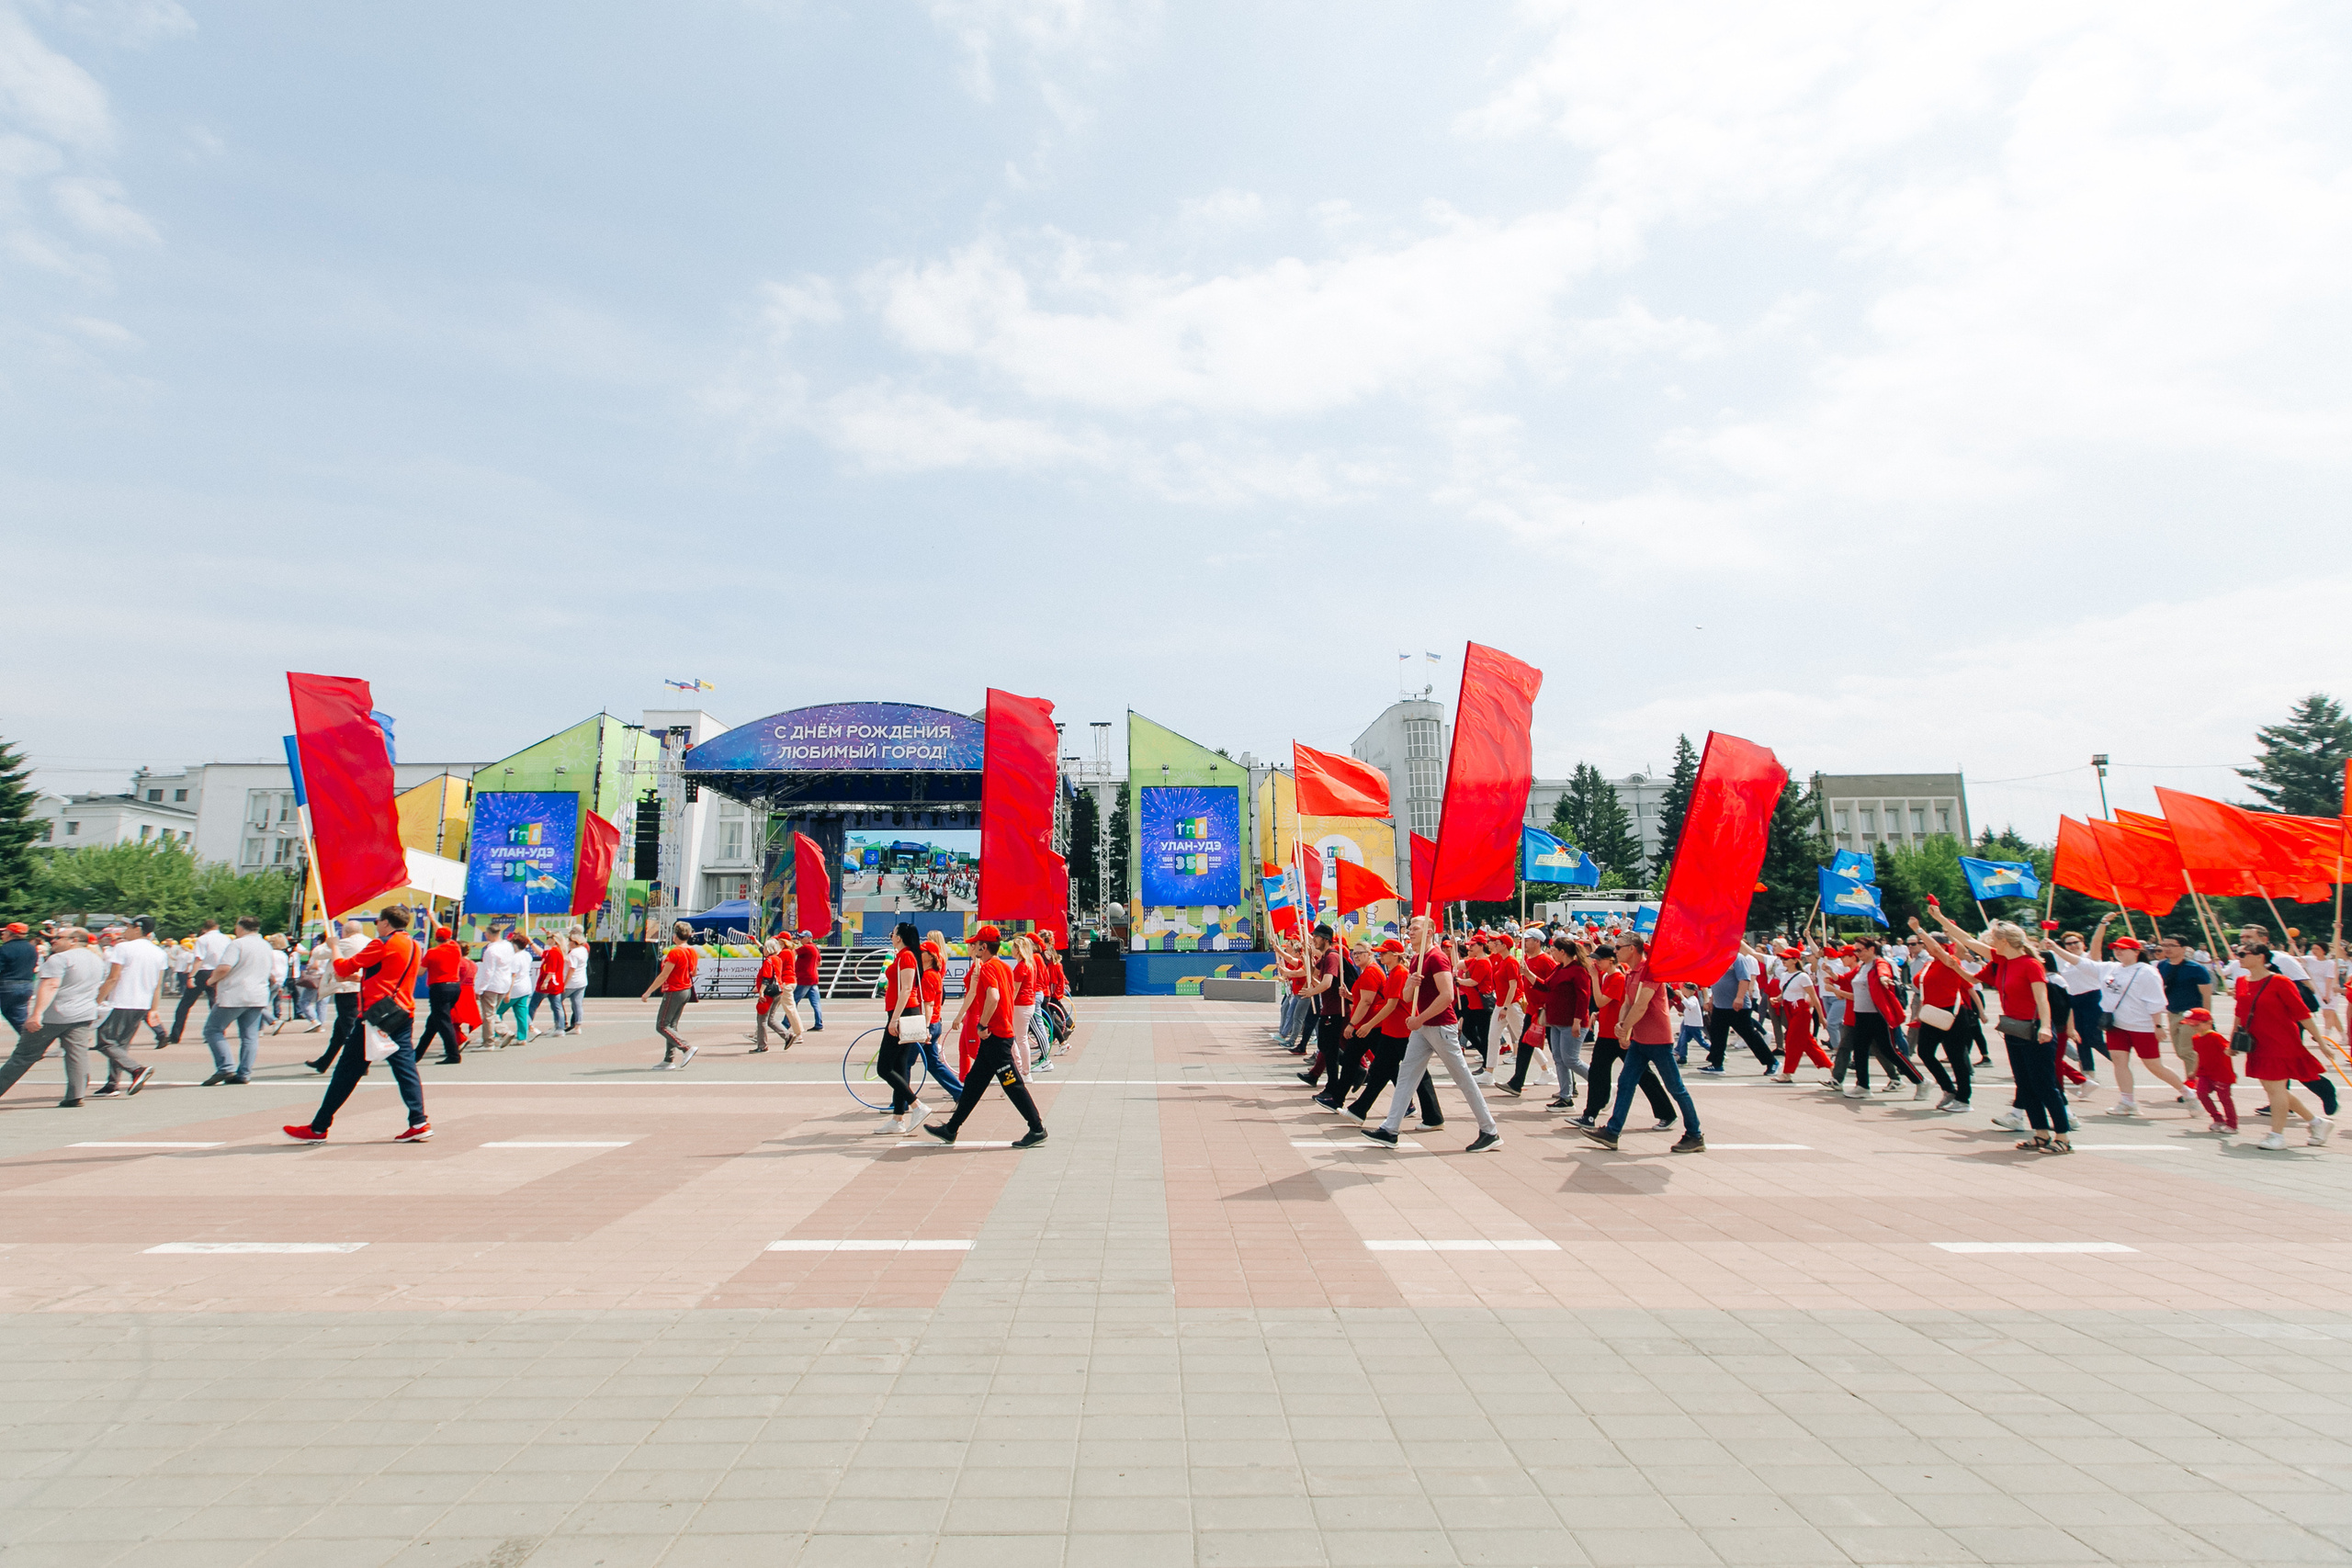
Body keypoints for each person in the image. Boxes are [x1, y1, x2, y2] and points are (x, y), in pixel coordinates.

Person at [284, 907, 430, 1143]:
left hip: (377, 1015)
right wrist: (359, 978)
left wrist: (334, 946)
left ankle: (318, 1128)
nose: (376, 924)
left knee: (346, 1072)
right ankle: (419, 1121)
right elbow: (389, 973)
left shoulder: (382, 943)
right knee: (405, 1069)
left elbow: (342, 967)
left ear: (386, 922)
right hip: (402, 1011)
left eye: (378, 920)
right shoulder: (413, 944)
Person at [1929, 909, 2068, 1153]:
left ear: (2004, 941)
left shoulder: (2031, 964)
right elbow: (1969, 947)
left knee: (2045, 1085)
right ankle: (2040, 1133)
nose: (1989, 942)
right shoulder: (2002, 960)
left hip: (2035, 1030)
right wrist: (1941, 919)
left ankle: (2063, 1138)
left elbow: (2042, 999)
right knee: (2025, 1084)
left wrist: (2046, 1026)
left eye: (1993, 938)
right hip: (2014, 1030)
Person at [1363, 915, 1501, 1153]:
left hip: (1440, 1026)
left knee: (1463, 1078)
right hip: (1423, 1028)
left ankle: (1489, 1130)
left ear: (1429, 931)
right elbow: (1407, 997)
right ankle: (1390, 1129)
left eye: (1415, 928)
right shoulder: (1417, 959)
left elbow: (1447, 995)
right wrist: (1410, 984)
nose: (1410, 931)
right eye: (1410, 927)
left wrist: (1419, 1019)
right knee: (1407, 1075)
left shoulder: (1437, 957)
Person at [1577, 931, 1703, 1154]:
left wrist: (1624, 1027)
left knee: (1675, 1087)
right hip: (1639, 1039)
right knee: (1626, 1083)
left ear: (1632, 949)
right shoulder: (1631, 972)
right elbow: (1628, 1002)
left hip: (1657, 1040)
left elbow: (1641, 1005)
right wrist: (1622, 1026)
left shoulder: (1650, 972)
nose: (1615, 951)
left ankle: (1695, 1134)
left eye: (1619, 947)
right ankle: (1612, 1132)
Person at [925, 924, 1046, 1147]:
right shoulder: (1003, 966)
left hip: (996, 1036)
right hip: (998, 1036)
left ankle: (1037, 1128)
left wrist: (982, 1023)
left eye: (977, 944)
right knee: (974, 1083)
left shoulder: (989, 968)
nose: (974, 947)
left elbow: (994, 996)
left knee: (1012, 1085)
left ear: (984, 946)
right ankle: (951, 1128)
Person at [0, 927, 141, 1106]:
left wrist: (36, 1014)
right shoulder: (95, 958)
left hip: (54, 1015)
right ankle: (75, 1094)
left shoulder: (59, 958)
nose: (54, 940)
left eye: (59, 937)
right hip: (83, 1013)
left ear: (74, 940)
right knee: (77, 1055)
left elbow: (51, 985)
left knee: (23, 1056)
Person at [2233, 942, 2334, 1151]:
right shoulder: (2241, 981)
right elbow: (2240, 1013)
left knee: (2276, 1090)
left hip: (2281, 1042)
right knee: (2273, 1089)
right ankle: (2317, 1123)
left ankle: (2277, 1135)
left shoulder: (2280, 981)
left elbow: (2302, 1014)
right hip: (2257, 1043)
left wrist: (2321, 1042)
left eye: (2243, 954)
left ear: (2260, 957)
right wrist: (2233, 1039)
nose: (2238, 957)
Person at [1574, 941, 1677, 1130]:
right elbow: (1609, 1005)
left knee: (1644, 1076)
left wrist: (1594, 979)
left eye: (1599, 960)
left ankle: (1667, 1113)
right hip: (1607, 1033)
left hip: (1620, 1035)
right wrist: (1599, 1014)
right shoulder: (1610, 977)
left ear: (1610, 960)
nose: (1596, 964)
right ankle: (1590, 1114)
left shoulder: (1618, 978)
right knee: (1598, 1074)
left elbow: (1602, 1001)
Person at [2095, 934, 2188, 1115]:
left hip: (2142, 1026)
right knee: (2119, 1061)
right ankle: (2127, 1101)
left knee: (2154, 1066)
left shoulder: (2147, 972)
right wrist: (2055, 947)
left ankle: (2188, 1093)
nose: (2118, 952)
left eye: (2123, 949)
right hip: (2116, 1025)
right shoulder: (2112, 968)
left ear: (2136, 951)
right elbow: (2084, 962)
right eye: (2116, 949)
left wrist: (2158, 1026)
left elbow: (2156, 1001)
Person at [1826, 937, 1927, 1100]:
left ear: (1871, 949)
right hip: (1861, 1015)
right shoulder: (1862, 966)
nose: (1857, 953)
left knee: (1889, 1051)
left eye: (1859, 950)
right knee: (1860, 1051)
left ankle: (1921, 1081)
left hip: (1877, 1015)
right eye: (1855, 950)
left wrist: (1884, 978)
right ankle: (1863, 1086)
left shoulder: (1879, 963)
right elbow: (1846, 980)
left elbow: (1883, 971)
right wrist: (1831, 974)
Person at [1906, 919, 1981, 1111]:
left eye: (1928, 944)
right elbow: (1925, 989)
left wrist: (1918, 929)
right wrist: (1919, 1013)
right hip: (1932, 1014)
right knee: (1925, 1052)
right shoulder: (1930, 964)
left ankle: (1963, 1099)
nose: (1925, 947)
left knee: (1956, 1057)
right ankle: (1948, 1089)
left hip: (1952, 1014)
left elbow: (1939, 951)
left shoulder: (1951, 961)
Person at [89, 916, 165, 1096]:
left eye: (128, 927)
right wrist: (153, 1009)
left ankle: (136, 1069)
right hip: (142, 1003)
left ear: (137, 929)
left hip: (122, 1001)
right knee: (120, 1045)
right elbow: (158, 984)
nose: (125, 931)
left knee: (105, 1042)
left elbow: (113, 977)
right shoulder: (159, 952)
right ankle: (112, 1083)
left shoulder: (123, 948)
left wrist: (96, 1001)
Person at [199, 916, 273, 1086]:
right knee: (250, 1036)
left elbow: (225, 967)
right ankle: (244, 1073)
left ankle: (226, 1066)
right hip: (258, 995)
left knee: (213, 1030)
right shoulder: (265, 945)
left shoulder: (238, 944)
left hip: (235, 994)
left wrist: (211, 980)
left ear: (240, 927)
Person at [878, 922, 931, 1134]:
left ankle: (917, 1105)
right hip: (902, 1011)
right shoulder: (902, 956)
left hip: (904, 1012)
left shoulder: (907, 956)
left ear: (899, 937)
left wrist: (894, 1019)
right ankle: (897, 1119)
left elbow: (907, 988)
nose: (891, 936)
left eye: (892, 933)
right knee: (900, 1067)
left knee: (884, 1068)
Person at [2048, 926, 2112, 1084]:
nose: (2073, 946)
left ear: (2083, 943)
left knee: (2094, 1037)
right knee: (2079, 1039)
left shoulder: (2090, 957)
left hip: (2093, 998)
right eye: (2068, 944)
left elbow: (2097, 942)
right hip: (2074, 1001)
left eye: (2076, 942)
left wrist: (2103, 924)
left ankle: (2118, 1058)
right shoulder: (2064, 962)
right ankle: (2088, 1072)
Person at [1700, 946, 1775, 1074]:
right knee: (1717, 1035)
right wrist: (1712, 999)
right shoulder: (1717, 960)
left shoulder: (1737, 958)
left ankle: (1771, 1062)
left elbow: (1744, 979)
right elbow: (1718, 981)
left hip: (1736, 1006)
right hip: (1720, 1005)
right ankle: (1716, 1064)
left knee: (1749, 1035)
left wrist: (1739, 998)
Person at [2154, 934, 2215, 1077]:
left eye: (2172, 945)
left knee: (2186, 1051)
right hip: (2173, 1013)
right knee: (2180, 1051)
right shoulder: (2162, 966)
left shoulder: (2196, 969)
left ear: (2184, 948)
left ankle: (2195, 1082)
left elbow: (2206, 995)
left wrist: (2205, 1018)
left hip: (2192, 1015)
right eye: (2164, 945)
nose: (2167, 949)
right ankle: (2203, 1077)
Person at [641, 921, 700, 1069]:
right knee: (671, 1026)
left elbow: (664, 975)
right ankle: (669, 1059)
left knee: (662, 1025)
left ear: (675, 935)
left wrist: (648, 991)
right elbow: (694, 972)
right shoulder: (692, 951)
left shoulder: (675, 952)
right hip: (686, 989)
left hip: (675, 989)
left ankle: (686, 1047)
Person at [916, 933, 962, 1098]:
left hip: (928, 1024)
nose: (919, 954)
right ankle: (960, 1093)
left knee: (904, 1063)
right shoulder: (933, 974)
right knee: (933, 1063)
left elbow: (928, 1004)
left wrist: (925, 1027)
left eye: (922, 952)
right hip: (935, 1023)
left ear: (930, 957)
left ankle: (902, 1101)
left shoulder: (928, 976)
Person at [168, 917, 227, 1044]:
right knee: (215, 1003)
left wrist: (191, 976)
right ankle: (217, 1033)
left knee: (185, 1004)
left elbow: (199, 959)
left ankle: (175, 1035)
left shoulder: (203, 939)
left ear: (204, 929)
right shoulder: (226, 939)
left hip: (203, 971)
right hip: (218, 971)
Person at [416, 925, 468, 1064]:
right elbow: (442, 930)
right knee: (433, 1023)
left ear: (436, 939)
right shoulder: (455, 948)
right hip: (454, 987)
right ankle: (416, 1054)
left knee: (443, 1022)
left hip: (439, 988)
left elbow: (420, 972)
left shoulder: (432, 952)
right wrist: (434, 919)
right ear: (449, 938)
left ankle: (453, 1055)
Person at [2181, 1008, 2238, 1133]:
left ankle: (2232, 1124)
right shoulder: (2196, 1038)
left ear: (2209, 1022)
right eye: (2191, 1025)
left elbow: (2227, 1049)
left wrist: (2230, 1050)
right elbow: (2198, 1055)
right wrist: (2194, 1071)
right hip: (2205, 1073)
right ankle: (2217, 1119)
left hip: (2221, 1073)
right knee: (2201, 1093)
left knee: (2224, 1099)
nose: (2194, 1028)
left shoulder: (2215, 1037)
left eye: (2196, 1025)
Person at [475, 928, 516, 1044]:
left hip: (492, 985)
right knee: (492, 1012)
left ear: (489, 934)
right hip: (504, 983)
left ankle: (489, 1041)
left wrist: (480, 989)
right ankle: (504, 1032)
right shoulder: (508, 946)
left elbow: (488, 971)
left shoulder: (491, 951)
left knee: (488, 1015)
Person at [752, 937, 790, 1053]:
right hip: (778, 990)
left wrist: (761, 992)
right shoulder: (777, 959)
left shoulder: (768, 961)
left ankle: (762, 1045)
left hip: (768, 992)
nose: (763, 950)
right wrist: (755, 941)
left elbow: (766, 978)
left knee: (762, 1019)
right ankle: (787, 1035)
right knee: (770, 1019)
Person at [0, 921, 35, 1037]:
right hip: (27, 985)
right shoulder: (31, 948)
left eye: (4, 932)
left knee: (13, 1015)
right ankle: (31, 1041)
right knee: (20, 1017)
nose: (2, 935)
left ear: (10, 934)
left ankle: (30, 1040)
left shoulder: (5, 949)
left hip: (8, 985)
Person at [530, 937, 567, 1032]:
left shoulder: (553, 952)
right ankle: (560, 1027)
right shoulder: (557, 951)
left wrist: (545, 982)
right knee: (557, 1006)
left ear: (553, 939)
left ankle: (527, 1025)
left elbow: (551, 969)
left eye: (548, 937)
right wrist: (531, 943)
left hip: (549, 983)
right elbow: (541, 953)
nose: (547, 939)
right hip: (555, 983)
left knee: (533, 1005)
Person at [793, 931, 824, 1031]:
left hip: (804, 978)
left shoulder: (806, 947)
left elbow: (792, 953)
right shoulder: (815, 947)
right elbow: (819, 963)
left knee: (793, 1001)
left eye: (802, 937)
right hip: (813, 977)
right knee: (816, 1003)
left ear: (809, 938)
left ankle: (785, 1024)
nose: (800, 939)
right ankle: (819, 1024)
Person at [561, 931, 589, 1033]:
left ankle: (561, 1023)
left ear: (574, 942)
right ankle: (578, 1026)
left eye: (570, 941)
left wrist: (564, 983)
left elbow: (572, 968)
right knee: (577, 1004)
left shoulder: (574, 953)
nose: (568, 942)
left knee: (557, 1001)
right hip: (581, 981)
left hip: (572, 982)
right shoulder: (583, 950)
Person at [1675, 987, 1704, 1064]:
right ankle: (1683, 1058)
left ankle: (1716, 1052)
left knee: (1701, 1042)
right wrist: (1683, 1014)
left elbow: (1689, 1006)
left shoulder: (1693, 999)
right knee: (1683, 1041)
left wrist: (1681, 995)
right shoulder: (1689, 999)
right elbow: (1690, 1011)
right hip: (1688, 1024)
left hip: (1694, 1025)